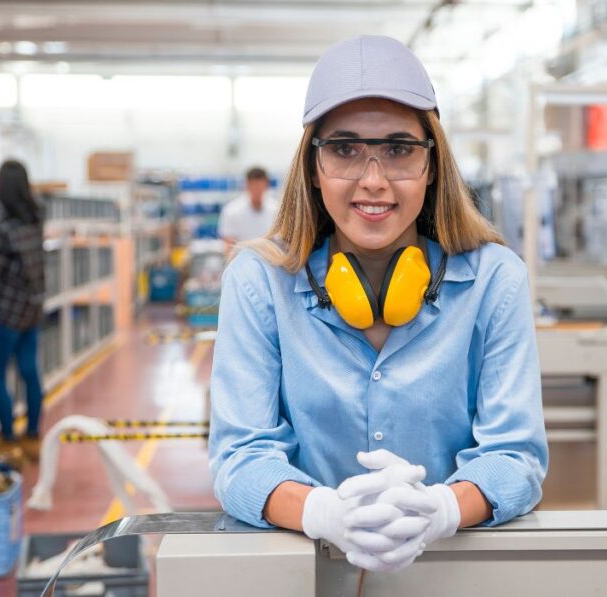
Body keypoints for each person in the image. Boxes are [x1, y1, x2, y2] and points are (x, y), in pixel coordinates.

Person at [209, 35, 548, 574]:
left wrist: (441, 509)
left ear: (432, 163)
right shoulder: (260, 282)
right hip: (304, 574)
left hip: (452, 573)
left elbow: (516, 457)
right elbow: (240, 459)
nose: (373, 180)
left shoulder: (493, 280)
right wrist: (322, 511)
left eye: (398, 149)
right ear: (313, 167)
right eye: (343, 149)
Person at [0, 160, 46, 460]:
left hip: (7, 312)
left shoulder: (2, 226)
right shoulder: (37, 215)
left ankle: (8, 436)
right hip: (32, 308)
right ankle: (32, 432)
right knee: (29, 371)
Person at [218, 166, 279, 253]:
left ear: (266, 185)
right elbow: (228, 246)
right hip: (241, 263)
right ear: (247, 185)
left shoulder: (277, 210)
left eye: (260, 186)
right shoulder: (231, 211)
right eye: (254, 186)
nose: (257, 190)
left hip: (271, 262)